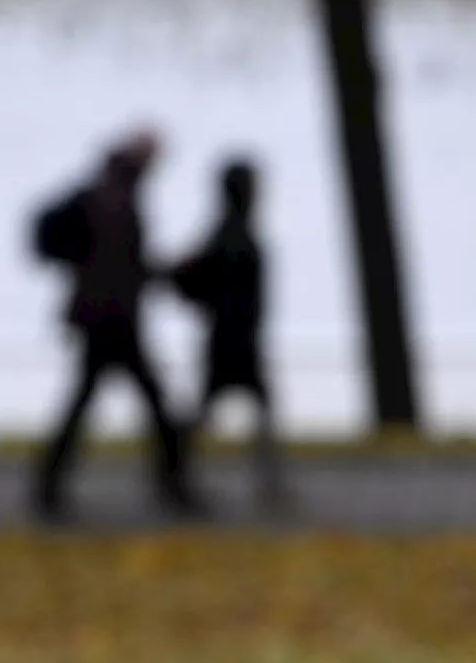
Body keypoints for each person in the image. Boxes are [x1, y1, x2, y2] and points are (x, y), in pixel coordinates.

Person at [29, 129, 196, 520]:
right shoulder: (115, 199)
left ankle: (50, 487)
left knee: (88, 402)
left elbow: (118, 262)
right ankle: (172, 485)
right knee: (155, 405)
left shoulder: (105, 192)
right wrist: (166, 275)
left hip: (101, 317)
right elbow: (121, 265)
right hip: (113, 320)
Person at [167, 157, 290, 509]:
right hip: (234, 338)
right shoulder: (235, 235)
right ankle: (267, 486)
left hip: (227, 335)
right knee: (250, 409)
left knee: (216, 409)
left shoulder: (225, 232)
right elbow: (198, 277)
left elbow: (189, 276)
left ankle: (181, 478)